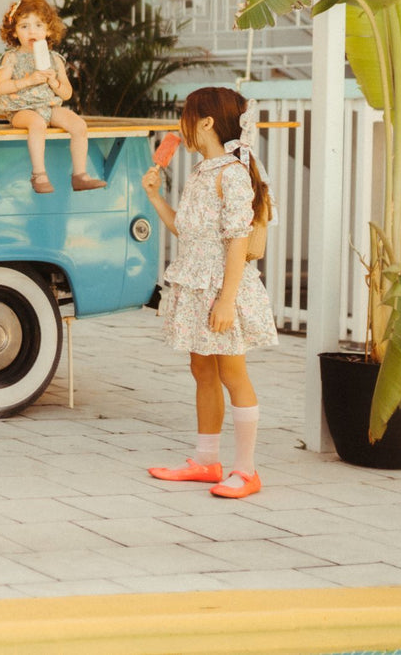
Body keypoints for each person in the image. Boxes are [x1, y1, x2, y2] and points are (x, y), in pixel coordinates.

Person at [141, 87, 277, 499]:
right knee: (202, 371)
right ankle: (206, 460)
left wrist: (226, 301)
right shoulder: (203, 171)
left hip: (221, 288)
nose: (180, 124)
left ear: (206, 123)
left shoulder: (232, 175)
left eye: (186, 115)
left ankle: (247, 471)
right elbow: (188, 230)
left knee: (233, 374)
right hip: (198, 284)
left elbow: (237, 240)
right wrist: (154, 197)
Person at [0, 0, 105, 195]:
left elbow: (67, 93)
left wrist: (53, 82)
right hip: (20, 109)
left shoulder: (55, 59)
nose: (32, 31)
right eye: (24, 26)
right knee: (37, 123)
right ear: (13, 31)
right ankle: (39, 174)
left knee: (79, 125)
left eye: (38, 25)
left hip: (48, 107)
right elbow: (1, 87)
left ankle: (80, 175)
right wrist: (28, 81)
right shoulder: (12, 57)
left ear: (48, 30)